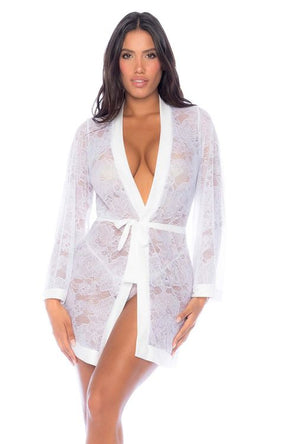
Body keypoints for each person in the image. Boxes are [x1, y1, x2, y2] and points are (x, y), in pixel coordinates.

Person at [43, 11, 223, 443]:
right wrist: (53, 295)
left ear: (164, 61)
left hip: (165, 277)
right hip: (92, 281)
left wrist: (203, 289)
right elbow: (71, 216)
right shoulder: (90, 134)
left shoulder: (195, 124)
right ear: (115, 62)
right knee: (97, 410)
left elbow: (213, 208)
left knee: (102, 399)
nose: (139, 67)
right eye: (128, 55)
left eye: (149, 55)